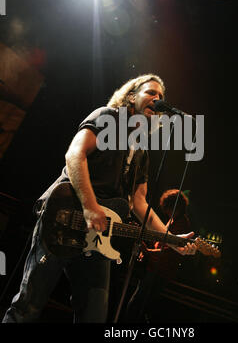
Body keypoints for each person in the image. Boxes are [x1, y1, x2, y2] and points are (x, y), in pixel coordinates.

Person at [2, 74, 197, 323]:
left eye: (161, 97)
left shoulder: (141, 151)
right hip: (65, 214)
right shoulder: (108, 117)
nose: (157, 99)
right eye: (151, 93)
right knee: (28, 306)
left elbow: (139, 202)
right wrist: (90, 206)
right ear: (131, 96)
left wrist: (170, 241)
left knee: (94, 316)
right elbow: (75, 154)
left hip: (98, 237)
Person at [124, 188, 193, 322]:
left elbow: (169, 251)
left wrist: (147, 251)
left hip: (160, 271)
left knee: (138, 305)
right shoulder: (172, 220)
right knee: (140, 304)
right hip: (155, 267)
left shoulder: (182, 223)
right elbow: (160, 242)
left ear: (173, 206)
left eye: (167, 207)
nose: (165, 211)